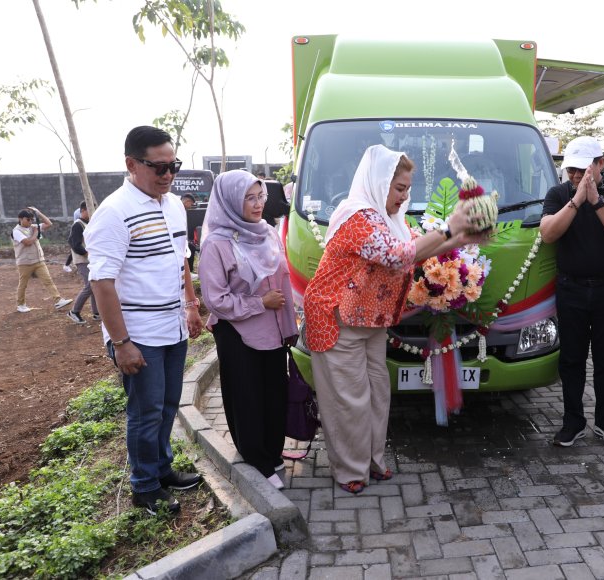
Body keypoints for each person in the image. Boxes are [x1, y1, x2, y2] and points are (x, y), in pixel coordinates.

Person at [303, 144, 484, 494]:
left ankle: (371, 460)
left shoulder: (387, 219)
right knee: (349, 398)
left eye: (407, 189)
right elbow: (397, 255)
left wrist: (463, 236)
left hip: (369, 320)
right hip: (337, 318)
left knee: (377, 393)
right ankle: (349, 471)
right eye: (399, 188)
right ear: (379, 182)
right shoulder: (359, 217)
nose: (404, 197)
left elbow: (419, 247)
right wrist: (450, 228)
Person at [85, 126, 204, 515]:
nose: (168, 175)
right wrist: (121, 343)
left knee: (169, 404)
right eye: (159, 167)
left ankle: (162, 469)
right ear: (131, 164)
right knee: (146, 410)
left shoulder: (172, 205)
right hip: (138, 333)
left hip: (172, 325)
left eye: (174, 166)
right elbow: (101, 282)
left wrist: (190, 304)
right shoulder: (114, 213)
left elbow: (181, 257)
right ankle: (144, 487)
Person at [198, 171, 297, 490]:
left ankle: (272, 449)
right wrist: (259, 303)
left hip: (272, 331)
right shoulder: (217, 243)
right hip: (238, 334)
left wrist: (289, 325)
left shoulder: (266, 232)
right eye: (249, 198)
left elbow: (282, 282)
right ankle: (257, 459)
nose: (257, 204)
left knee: (274, 393)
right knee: (247, 398)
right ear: (230, 201)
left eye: (260, 197)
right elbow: (215, 299)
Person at [539, 136, 604, 448]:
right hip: (571, 288)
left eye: (584, 170)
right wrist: (576, 200)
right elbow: (549, 233)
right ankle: (573, 420)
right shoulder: (558, 193)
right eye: (571, 171)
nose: (578, 177)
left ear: (600, 164)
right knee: (571, 358)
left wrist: (596, 201)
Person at [12, 206, 73, 313]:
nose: (30, 222)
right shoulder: (16, 231)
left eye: (32, 219)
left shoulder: (33, 226)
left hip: (39, 260)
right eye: (28, 219)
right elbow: (28, 242)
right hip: (25, 262)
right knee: (23, 284)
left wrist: (38, 213)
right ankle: (20, 304)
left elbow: (49, 223)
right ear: (20, 219)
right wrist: (36, 232)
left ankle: (58, 300)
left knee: (48, 280)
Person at [66, 202, 100, 324]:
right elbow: (75, 244)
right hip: (82, 261)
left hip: (90, 260)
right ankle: (74, 311)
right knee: (91, 286)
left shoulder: (88, 223)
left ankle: (97, 313)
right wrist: (88, 253)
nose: (93, 213)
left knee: (95, 285)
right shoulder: (78, 225)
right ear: (83, 210)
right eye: (91, 210)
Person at [182, 194, 198, 271]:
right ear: (187, 201)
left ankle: (189, 270)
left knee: (191, 247)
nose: (191, 206)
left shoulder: (183, 210)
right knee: (191, 248)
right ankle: (189, 271)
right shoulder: (178, 210)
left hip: (184, 239)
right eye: (191, 204)